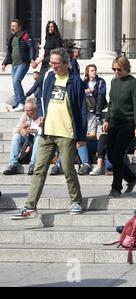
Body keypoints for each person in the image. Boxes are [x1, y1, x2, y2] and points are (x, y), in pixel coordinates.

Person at [10, 48, 87, 220]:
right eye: (51, 63)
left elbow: (82, 109)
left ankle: (76, 201)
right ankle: (30, 206)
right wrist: (41, 117)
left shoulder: (75, 80)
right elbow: (45, 99)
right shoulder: (49, 76)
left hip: (66, 132)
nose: (53, 66)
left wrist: (81, 136)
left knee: (67, 169)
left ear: (66, 63)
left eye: (56, 63)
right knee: (39, 169)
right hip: (47, 132)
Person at [103, 56, 136, 198]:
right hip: (114, 120)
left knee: (118, 155)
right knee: (111, 156)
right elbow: (111, 102)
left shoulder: (133, 82)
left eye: (119, 69)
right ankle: (131, 178)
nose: (116, 72)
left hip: (127, 122)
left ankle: (116, 187)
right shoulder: (114, 81)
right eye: (114, 69)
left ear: (126, 68)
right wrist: (107, 119)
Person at [1, 19, 36, 112]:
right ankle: (18, 103)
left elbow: (32, 47)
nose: (12, 28)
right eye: (11, 26)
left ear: (19, 27)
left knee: (17, 81)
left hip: (23, 63)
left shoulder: (25, 35)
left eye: (14, 26)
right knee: (15, 84)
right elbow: (9, 52)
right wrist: (4, 63)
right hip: (14, 64)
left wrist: (32, 59)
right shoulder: (12, 38)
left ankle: (21, 102)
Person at [3, 97, 42, 176]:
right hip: (28, 141)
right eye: (25, 110)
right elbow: (15, 131)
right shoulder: (25, 115)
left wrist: (29, 131)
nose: (27, 112)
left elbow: (41, 131)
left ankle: (32, 164)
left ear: (34, 109)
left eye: (29, 110)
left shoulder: (40, 115)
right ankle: (13, 165)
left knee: (38, 138)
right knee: (16, 137)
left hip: (38, 140)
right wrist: (21, 128)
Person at [32, 21, 63, 97]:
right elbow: (45, 54)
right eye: (49, 27)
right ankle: (37, 98)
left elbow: (58, 53)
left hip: (51, 65)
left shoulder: (57, 39)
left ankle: (29, 94)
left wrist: (53, 64)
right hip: (44, 64)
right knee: (40, 82)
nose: (50, 28)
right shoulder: (47, 38)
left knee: (43, 81)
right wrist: (36, 62)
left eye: (52, 27)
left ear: (55, 28)